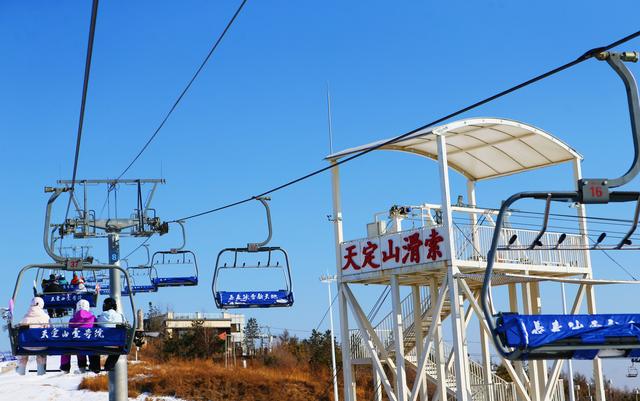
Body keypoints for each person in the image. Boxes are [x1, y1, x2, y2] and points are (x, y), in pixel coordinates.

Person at [60, 299, 99, 374]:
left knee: (75, 343)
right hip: (90, 344)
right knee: (88, 344)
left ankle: (66, 368)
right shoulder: (93, 318)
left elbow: (70, 331)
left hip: (76, 344)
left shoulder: (72, 319)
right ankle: (90, 366)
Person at [16, 297, 50, 375]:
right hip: (42, 346)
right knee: (40, 347)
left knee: (24, 352)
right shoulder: (45, 317)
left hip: (26, 345)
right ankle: (41, 371)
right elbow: (49, 330)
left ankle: (21, 371)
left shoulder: (25, 317)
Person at [96, 297, 126, 371]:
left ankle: (95, 366)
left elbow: (97, 325)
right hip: (116, 343)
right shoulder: (121, 317)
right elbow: (125, 325)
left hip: (102, 343)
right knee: (118, 348)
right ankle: (109, 365)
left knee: (94, 347)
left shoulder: (102, 316)